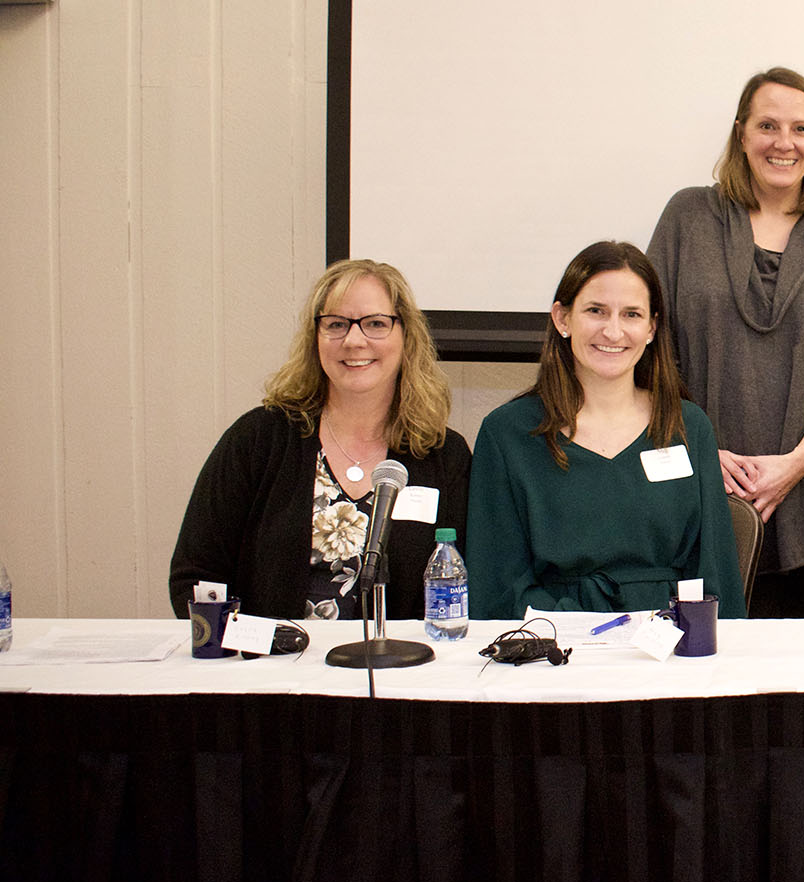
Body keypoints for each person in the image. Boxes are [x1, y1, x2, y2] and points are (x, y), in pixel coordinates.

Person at [648, 67, 804, 619]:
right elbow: (650, 348)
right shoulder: (688, 217)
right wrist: (705, 453)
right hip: (691, 480)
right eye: (767, 125)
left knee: (783, 676)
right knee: (691, 662)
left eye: (800, 129)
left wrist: (795, 464)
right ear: (741, 134)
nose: (784, 142)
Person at [168, 259, 470, 621]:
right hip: (270, 669)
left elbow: (462, 586)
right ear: (316, 338)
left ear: (406, 336)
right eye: (336, 325)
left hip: (398, 670)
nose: (354, 340)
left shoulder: (441, 453)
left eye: (375, 324)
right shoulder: (257, 441)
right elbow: (196, 576)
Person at [466, 242, 745, 620]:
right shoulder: (507, 435)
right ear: (562, 319)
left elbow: (716, 576)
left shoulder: (687, 426)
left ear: (651, 328)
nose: (613, 331)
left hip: (671, 653)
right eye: (596, 311)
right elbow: (498, 588)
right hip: (552, 653)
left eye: (631, 314)